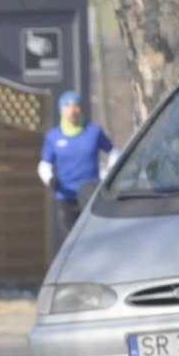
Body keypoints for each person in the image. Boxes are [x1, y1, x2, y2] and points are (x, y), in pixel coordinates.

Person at [38, 90, 115, 247]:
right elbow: (44, 165)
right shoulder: (53, 137)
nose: (72, 110)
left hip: (91, 195)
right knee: (73, 241)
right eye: (67, 106)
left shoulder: (94, 131)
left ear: (81, 108)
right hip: (66, 198)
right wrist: (50, 179)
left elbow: (114, 153)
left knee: (94, 239)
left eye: (76, 105)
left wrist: (109, 175)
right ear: (61, 110)